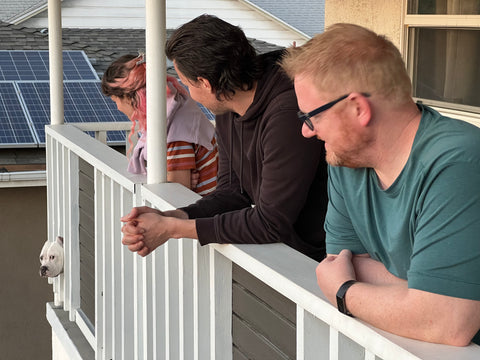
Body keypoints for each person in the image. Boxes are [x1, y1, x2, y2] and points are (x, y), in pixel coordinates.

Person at [281, 23, 480, 346]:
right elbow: (340, 262)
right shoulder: (347, 161)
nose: (307, 131)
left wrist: (344, 292)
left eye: (310, 117)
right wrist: (422, 295)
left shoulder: (459, 161)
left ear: (359, 108)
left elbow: (447, 322)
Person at [120, 14, 328, 261]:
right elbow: (232, 192)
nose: (189, 93)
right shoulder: (228, 106)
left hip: (317, 262)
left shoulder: (286, 111)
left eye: (187, 85)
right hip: (290, 255)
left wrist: (172, 230)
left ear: (205, 83)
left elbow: (271, 222)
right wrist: (173, 216)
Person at [101, 54, 218, 196]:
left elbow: (177, 192)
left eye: (116, 101)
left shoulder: (176, 131)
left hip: (201, 212)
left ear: (133, 97)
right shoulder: (178, 113)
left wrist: (173, 181)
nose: (118, 107)